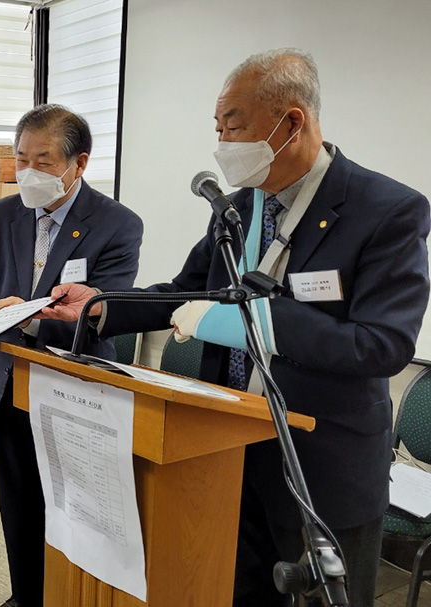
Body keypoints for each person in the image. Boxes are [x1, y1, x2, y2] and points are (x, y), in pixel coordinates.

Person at [44, 49, 430, 607]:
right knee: (238, 591)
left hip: (323, 464)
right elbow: (186, 290)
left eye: (234, 126)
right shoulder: (240, 207)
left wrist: (257, 322)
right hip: (225, 446)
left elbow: (383, 346)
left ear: (291, 122)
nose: (222, 143)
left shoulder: (386, 209)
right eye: (217, 128)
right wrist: (101, 306)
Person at [0, 104, 143, 607]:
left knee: (76, 506)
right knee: (20, 500)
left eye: (44, 161)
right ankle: (25, 593)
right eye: (20, 159)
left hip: (77, 386)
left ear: (80, 163)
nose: (28, 172)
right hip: (13, 383)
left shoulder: (117, 224)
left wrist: (27, 315)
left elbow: (103, 310)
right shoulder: (5, 214)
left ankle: (70, 595)